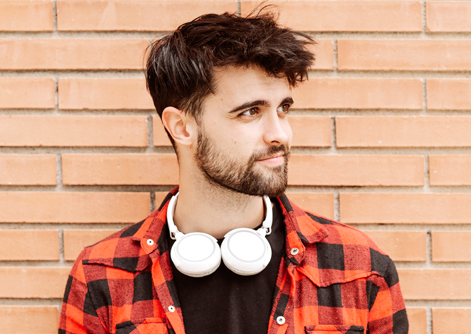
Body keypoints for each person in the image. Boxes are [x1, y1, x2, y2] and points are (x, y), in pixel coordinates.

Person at [59, 10, 407, 334]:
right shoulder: (102, 275)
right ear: (182, 127)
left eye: (283, 108)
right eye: (250, 112)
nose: (280, 134)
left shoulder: (360, 269)